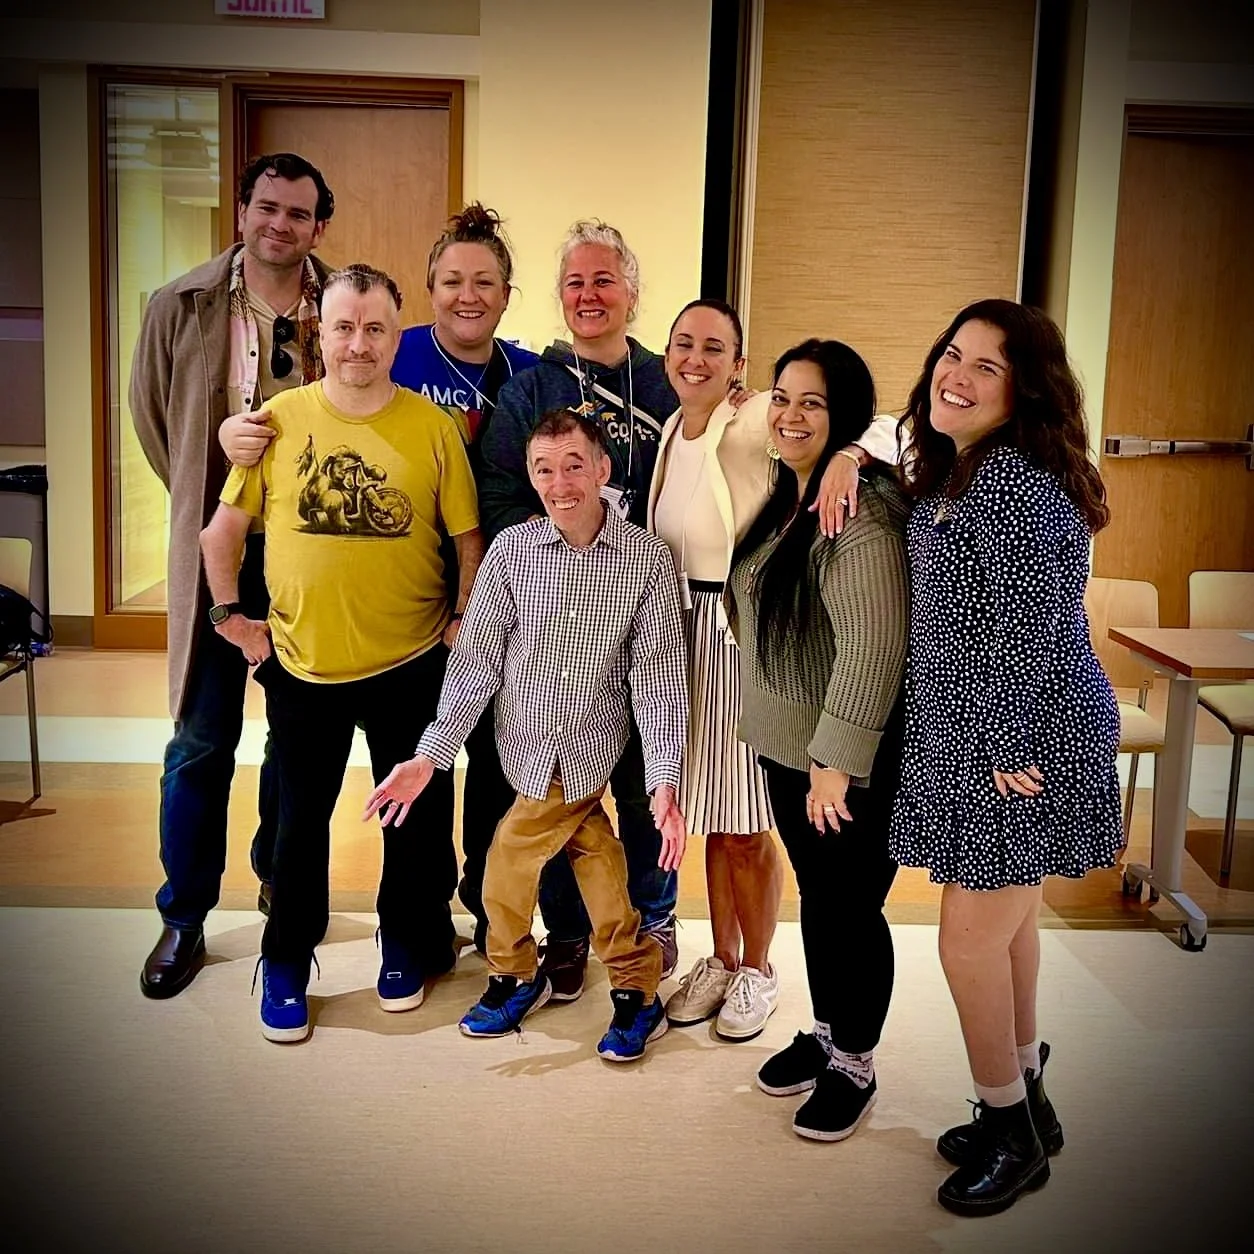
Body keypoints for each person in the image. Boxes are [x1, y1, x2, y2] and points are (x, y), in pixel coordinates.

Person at [220, 203, 540, 956]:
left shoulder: (527, 373)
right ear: (429, 292)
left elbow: (477, 525)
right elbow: (239, 504)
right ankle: (286, 918)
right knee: (300, 791)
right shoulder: (392, 352)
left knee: (455, 775)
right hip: (316, 639)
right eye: (453, 280)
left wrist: (464, 613)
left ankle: (445, 920)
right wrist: (235, 435)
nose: (469, 294)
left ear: (505, 292)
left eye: (485, 281)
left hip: (443, 628)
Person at [200, 263, 483, 1043]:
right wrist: (233, 618)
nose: (359, 343)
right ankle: (287, 958)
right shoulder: (279, 421)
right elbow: (221, 532)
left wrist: (462, 617)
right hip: (303, 669)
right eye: (344, 327)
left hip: (412, 664)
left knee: (417, 821)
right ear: (319, 334)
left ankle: (410, 944)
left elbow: (466, 540)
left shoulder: (431, 427)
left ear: (399, 335)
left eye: (376, 328)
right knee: (298, 826)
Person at [888, 300, 1121, 1217]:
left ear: (1022, 389)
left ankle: (1008, 1129)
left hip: (1017, 740)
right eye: (954, 354)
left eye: (988, 365)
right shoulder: (963, 471)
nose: (960, 373)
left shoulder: (1011, 485)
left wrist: (1009, 742)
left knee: (967, 942)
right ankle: (1027, 1104)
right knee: (1011, 931)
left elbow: (1033, 630)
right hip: (984, 733)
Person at [365, 409, 688, 1062]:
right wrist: (431, 755)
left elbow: (657, 677)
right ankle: (635, 985)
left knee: (503, 866)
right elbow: (476, 660)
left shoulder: (647, 561)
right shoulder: (511, 552)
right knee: (594, 854)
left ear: (603, 469)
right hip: (523, 747)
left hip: (591, 747)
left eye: (575, 465)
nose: (560, 482)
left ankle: (514, 972)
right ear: (529, 476)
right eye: (544, 468)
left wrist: (663, 779)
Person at [648, 299, 900, 1042]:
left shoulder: (756, 415)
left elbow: (886, 423)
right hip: (691, 634)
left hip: (745, 643)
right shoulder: (673, 427)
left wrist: (852, 453)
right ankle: (724, 958)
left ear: (738, 363)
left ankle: (758, 968)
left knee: (747, 825)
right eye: (683, 343)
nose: (696, 358)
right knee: (712, 819)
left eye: (714, 347)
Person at [130, 152, 335, 999]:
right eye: (266, 207)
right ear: (241, 210)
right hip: (217, 544)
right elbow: (151, 419)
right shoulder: (177, 305)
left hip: (307, 560)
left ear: (318, 225)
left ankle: (275, 877)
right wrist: (203, 479)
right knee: (202, 738)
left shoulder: (345, 305)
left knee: (294, 742)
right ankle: (183, 916)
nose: (279, 224)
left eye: (297, 213)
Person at [476, 219, 682, 998]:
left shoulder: (669, 383)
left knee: (641, 778)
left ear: (631, 291)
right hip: (561, 616)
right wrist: (537, 572)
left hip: (650, 597)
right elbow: (501, 489)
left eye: (603, 280)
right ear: (559, 297)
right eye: (575, 282)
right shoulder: (531, 387)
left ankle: (651, 918)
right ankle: (566, 934)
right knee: (559, 786)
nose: (589, 295)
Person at [729, 338, 909, 1142]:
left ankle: (857, 1062)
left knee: (849, 909)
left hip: (839, 763)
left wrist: (834, 765)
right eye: (782, 397)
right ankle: (831, 1034)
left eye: (813, 402)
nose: (790, 414)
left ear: (847, 419)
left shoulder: (859, 511)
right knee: (824, 902)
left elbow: (875, 645)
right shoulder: (790, 494)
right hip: (788, 748)